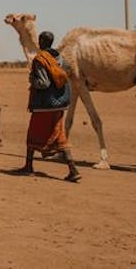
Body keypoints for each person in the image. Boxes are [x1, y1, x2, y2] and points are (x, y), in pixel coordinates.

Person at [11, 31, 81, 182]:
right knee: (60, 137)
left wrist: (32, 79)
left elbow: (43, 83)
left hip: (44, 105)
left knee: (32, 134)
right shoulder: (60, 58)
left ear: (42, 41)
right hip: (60, 104)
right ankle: (73, 169)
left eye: (40, 39)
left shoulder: (40, 59)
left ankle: (28, 166)